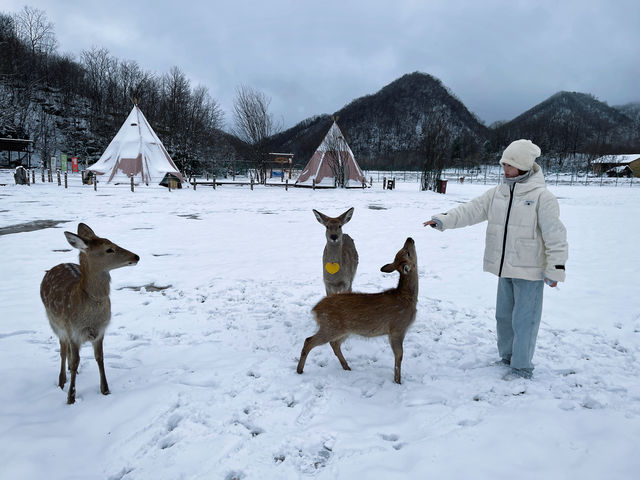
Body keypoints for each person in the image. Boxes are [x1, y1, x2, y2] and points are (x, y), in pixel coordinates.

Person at [424, 139, 568, 379]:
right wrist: (443, 220)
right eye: (503, 164)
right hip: (505, 268)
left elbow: (556, 235)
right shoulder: (497, 194)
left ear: (522, 166)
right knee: (503, 317)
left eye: (509, 165)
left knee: (525, 321)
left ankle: (522, 367)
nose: (504, 170)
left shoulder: (543, 198)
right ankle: (509, 357)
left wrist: (555, 270)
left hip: (530, 272)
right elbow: (470, 210)